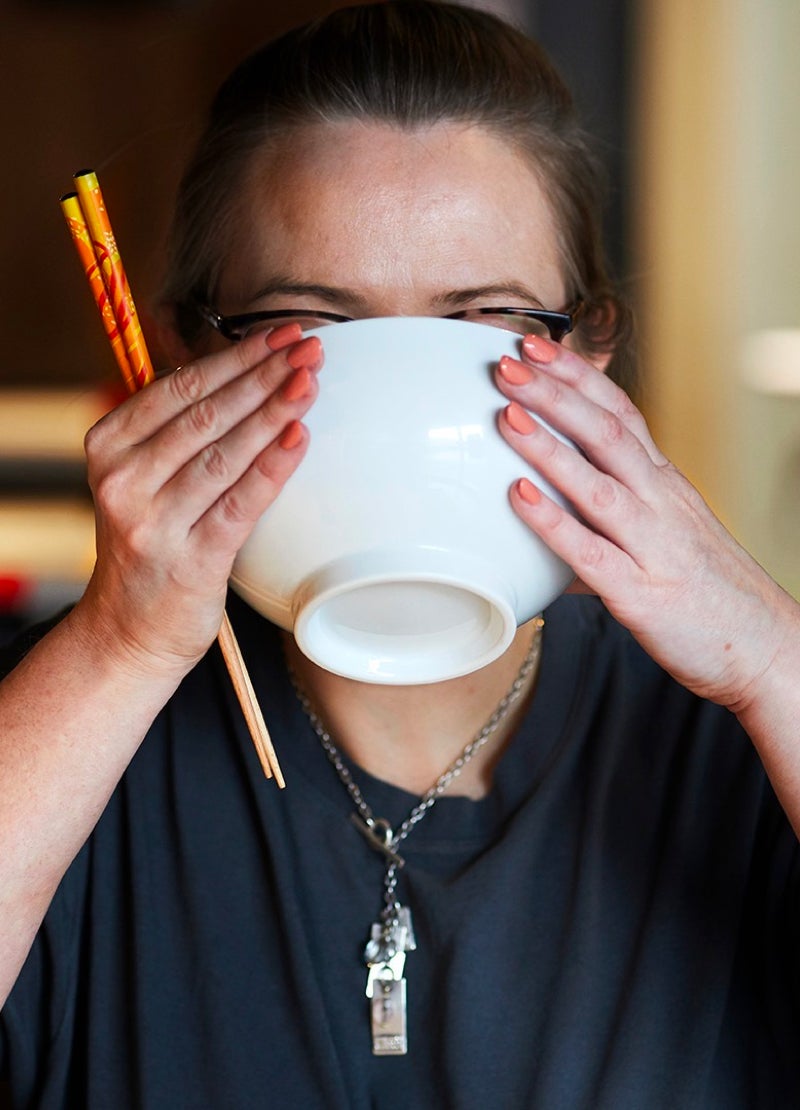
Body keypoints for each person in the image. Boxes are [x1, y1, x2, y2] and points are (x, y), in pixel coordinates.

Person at [1, 2, 799, 1106]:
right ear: (182, 360)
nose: (400, 406)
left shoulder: (745, 735)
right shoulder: (61, 724)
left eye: (483, 320)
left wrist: (771, 654)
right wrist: (118, 653)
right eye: (310, 325)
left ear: (591, 355)